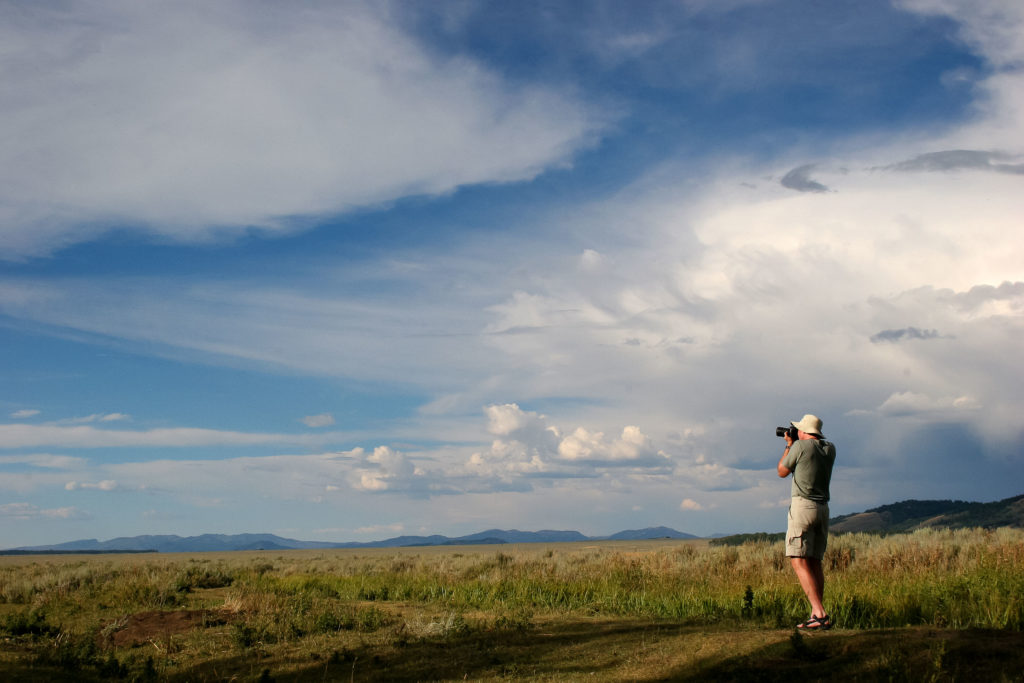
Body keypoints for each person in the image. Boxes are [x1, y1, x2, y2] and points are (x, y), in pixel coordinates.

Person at [777, 414, 836, 630]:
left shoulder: (800, 447)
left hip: (803, 506)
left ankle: (820, 613)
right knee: (814, 561)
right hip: (823, 509)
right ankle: (816, 613)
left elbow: (782, 471)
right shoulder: (830, 449)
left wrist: (788, 446)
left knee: (797, 558)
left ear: (803, 432)